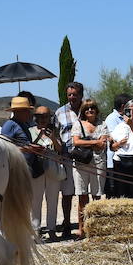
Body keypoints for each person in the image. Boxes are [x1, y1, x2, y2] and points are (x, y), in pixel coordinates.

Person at [29, 106, 66, 239]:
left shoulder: (55, 131)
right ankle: (36, 229)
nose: (43, 119)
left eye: (45, 116)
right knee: (36, 201)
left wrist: (53, 137)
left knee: (52, 200)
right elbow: (29, 147)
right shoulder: (30, 131)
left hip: (52, 167)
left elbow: (60, 149)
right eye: (40, 116)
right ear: (36, 118)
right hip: (37, 168)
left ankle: (51, 229)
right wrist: (40, 136)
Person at [55, 82, 84, 236]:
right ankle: (66, 224)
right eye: (70, 95)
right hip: (66, 157)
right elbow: (56, 134)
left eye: (75, 94)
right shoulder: (59, 112)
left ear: (81, 95)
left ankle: (83, 225)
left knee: (83, 193)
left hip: (85, 158)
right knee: (67, 193)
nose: (72, 97)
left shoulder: (88, 110)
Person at [71, 99, 108, 211]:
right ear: (83, 111)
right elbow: (76, 142)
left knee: (97, 195)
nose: (90, 110)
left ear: (96, 110)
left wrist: (87, 142)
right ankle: (82, 227)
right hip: (81, 163)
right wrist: (95, 142)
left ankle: (94, 225)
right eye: (87, 108)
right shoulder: (78, 124)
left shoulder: (103, 124)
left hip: (98, 162)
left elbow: (102, 145)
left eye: (92, 108)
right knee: (82, 195)